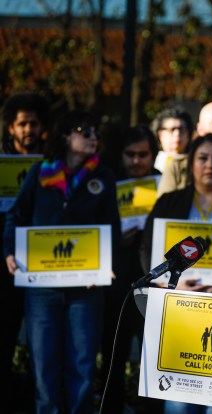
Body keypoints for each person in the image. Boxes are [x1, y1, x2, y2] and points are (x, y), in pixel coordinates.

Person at [3, 110, 120, 414]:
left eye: (96, 133)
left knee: (82, 365)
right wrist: (10, 251)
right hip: (42, 290)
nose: (93, 138)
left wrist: (106, 264)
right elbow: (16, 216)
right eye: (86, 131)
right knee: (44, 365)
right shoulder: (40, 171)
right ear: (67, 136)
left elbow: (112, 226)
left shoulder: (103, 177)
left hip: (86, 288)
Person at [99, 125, 162, 414]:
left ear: (153, 155)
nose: (137, 161)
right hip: (117, 284)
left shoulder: (166, 185)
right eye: (130, 154)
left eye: (143, 155)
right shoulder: (106, 184)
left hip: (155, 282)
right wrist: (115, 238)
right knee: (115, 350)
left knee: (152, 352)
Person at [141, 134, 212, 292]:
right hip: (176, 292)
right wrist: (168, 284)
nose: (210, 165)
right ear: (191, 163)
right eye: (202, 158)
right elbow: (147, 247)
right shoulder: (169, 202)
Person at [0, 91, 49, 413]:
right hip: (4, 268)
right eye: (22, 124)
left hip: (42, 266)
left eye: (33, 123)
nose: (28, 129)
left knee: (40, 346)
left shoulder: (51, 164)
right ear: (10, 129)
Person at [151, 107, 193, 172]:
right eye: (172, 129)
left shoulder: (195, 162)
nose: (177, 134)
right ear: (160, 134)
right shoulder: (149, 163)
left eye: (182, 129)